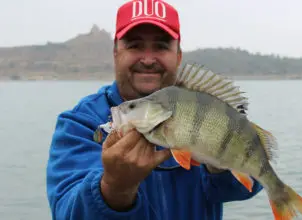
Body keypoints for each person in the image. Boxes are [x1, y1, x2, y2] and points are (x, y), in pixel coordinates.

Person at [45, 0, 263, 219]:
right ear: (115, 52)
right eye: (134, 45)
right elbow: (67, 212)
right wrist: (114, 188)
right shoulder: (80, 123)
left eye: (161, 46)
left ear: (178, 55)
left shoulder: (204, 106)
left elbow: (246, 185)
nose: (148, 60)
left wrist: (220, 163)